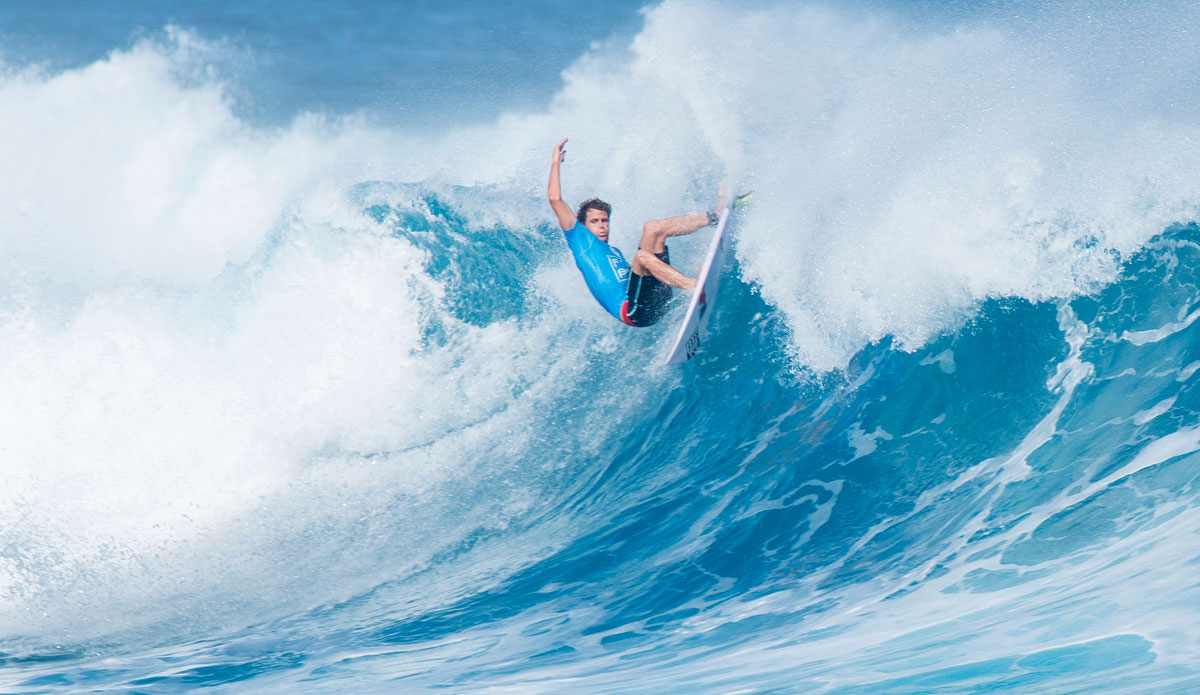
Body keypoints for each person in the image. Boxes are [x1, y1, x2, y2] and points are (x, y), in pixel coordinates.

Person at [547, 137, 723, 327]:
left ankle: (715, 216)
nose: (601, 225)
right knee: (641, 257)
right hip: (634, 312)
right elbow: (555, 199)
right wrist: (556, 162)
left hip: (654, 297)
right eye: (595, 221)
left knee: (653, 228)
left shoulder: (614, 252)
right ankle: (692, 286)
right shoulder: (579, 239)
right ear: (583, 225)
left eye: (605, 220)